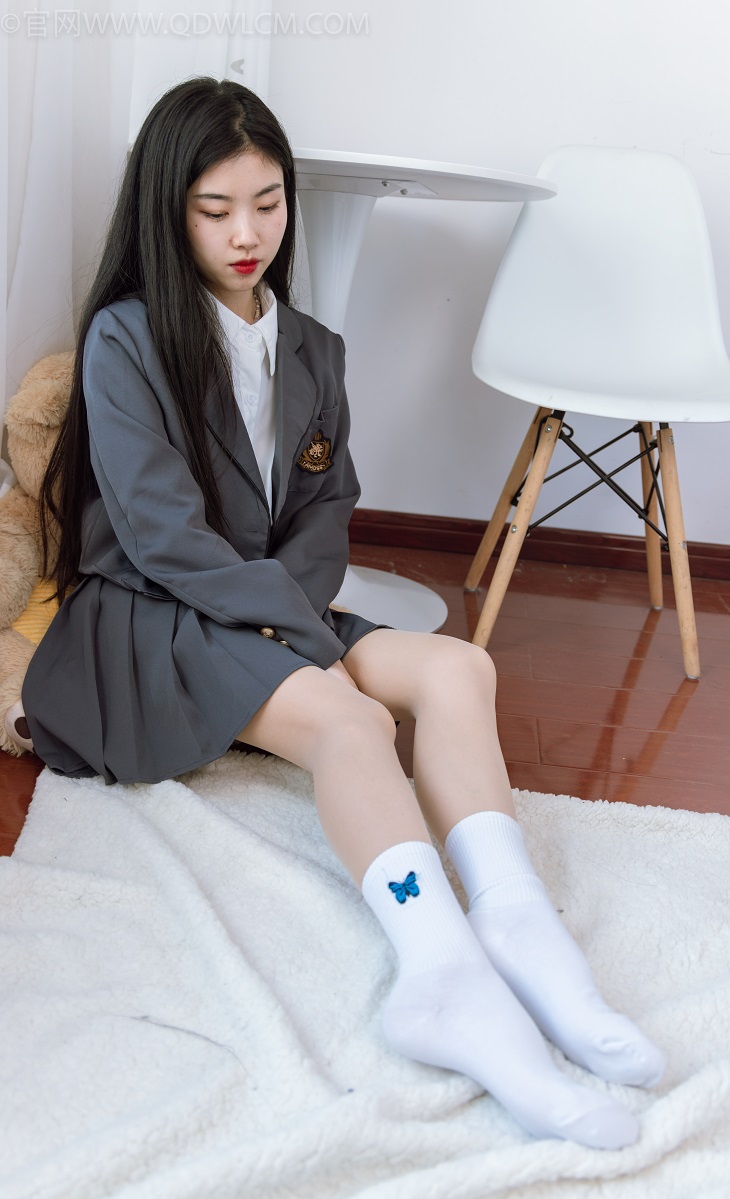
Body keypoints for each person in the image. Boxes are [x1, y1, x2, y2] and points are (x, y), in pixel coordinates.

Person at [23, 78, 664, 1150]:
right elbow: (161, 536)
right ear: (167, 211)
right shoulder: (125, 339)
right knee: (350, 723)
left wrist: (298, 620)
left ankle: (514, 921)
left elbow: (326, 510)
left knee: (459, 669)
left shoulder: (315, 347)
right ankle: (439, 973)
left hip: (268, 607)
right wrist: (303, 641)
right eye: (214, 209)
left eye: (267, 203)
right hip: (151, 619)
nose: (246, 234)